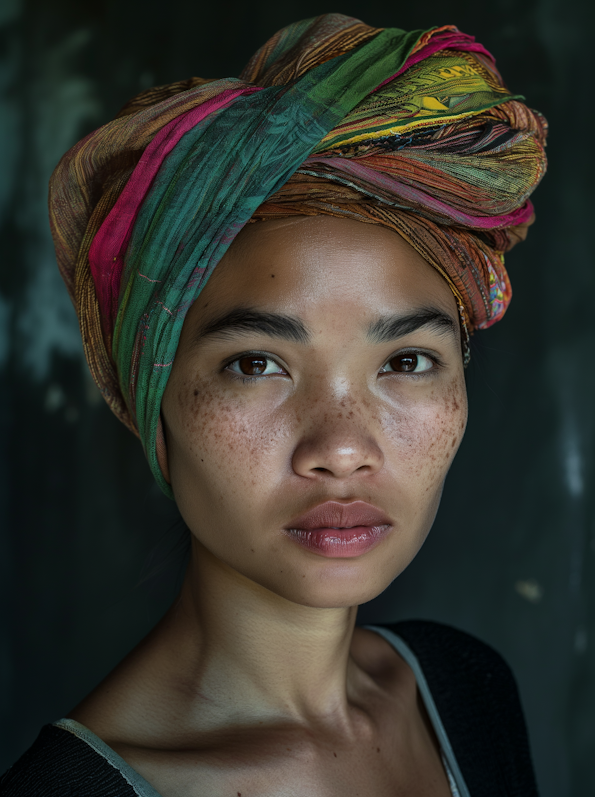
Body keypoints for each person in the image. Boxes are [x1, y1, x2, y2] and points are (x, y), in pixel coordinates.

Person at [0, 13, 547, 797]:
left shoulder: (466, 689)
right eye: (257, 363)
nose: (342, 446)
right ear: (151, 397)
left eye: (405, 360)